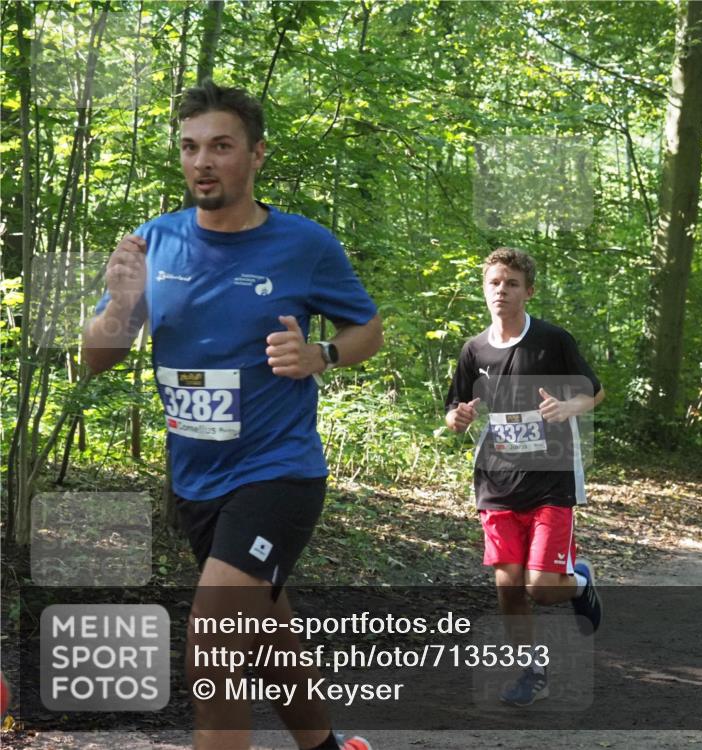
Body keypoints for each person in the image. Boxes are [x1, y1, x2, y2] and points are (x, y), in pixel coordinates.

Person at [82, 81, 382, 750]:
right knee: (270, 634)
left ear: (256, 155)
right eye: (190, 148)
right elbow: (97, 359)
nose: (202, 163)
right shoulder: (154, 242)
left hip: (277, 472)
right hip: (196, 479)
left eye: (220, 146)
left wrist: (322, 353)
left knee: (214, 651)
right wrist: (115, 305)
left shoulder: (304, 245)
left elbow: (369, 330)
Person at [444, 247, 604, 707]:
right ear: (484, 288)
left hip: (551, 479)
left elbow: (594, 390)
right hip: (496, 482)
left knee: (541, 586)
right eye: (494, 282)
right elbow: (455, 408)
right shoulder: (474, 350)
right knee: (508, 586)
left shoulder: (552, 340)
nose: (501, 290)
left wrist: (567, 406)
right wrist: (458, 418)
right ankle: (531, 672)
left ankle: (580, 583)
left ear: (528, 291)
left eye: (512, 283)